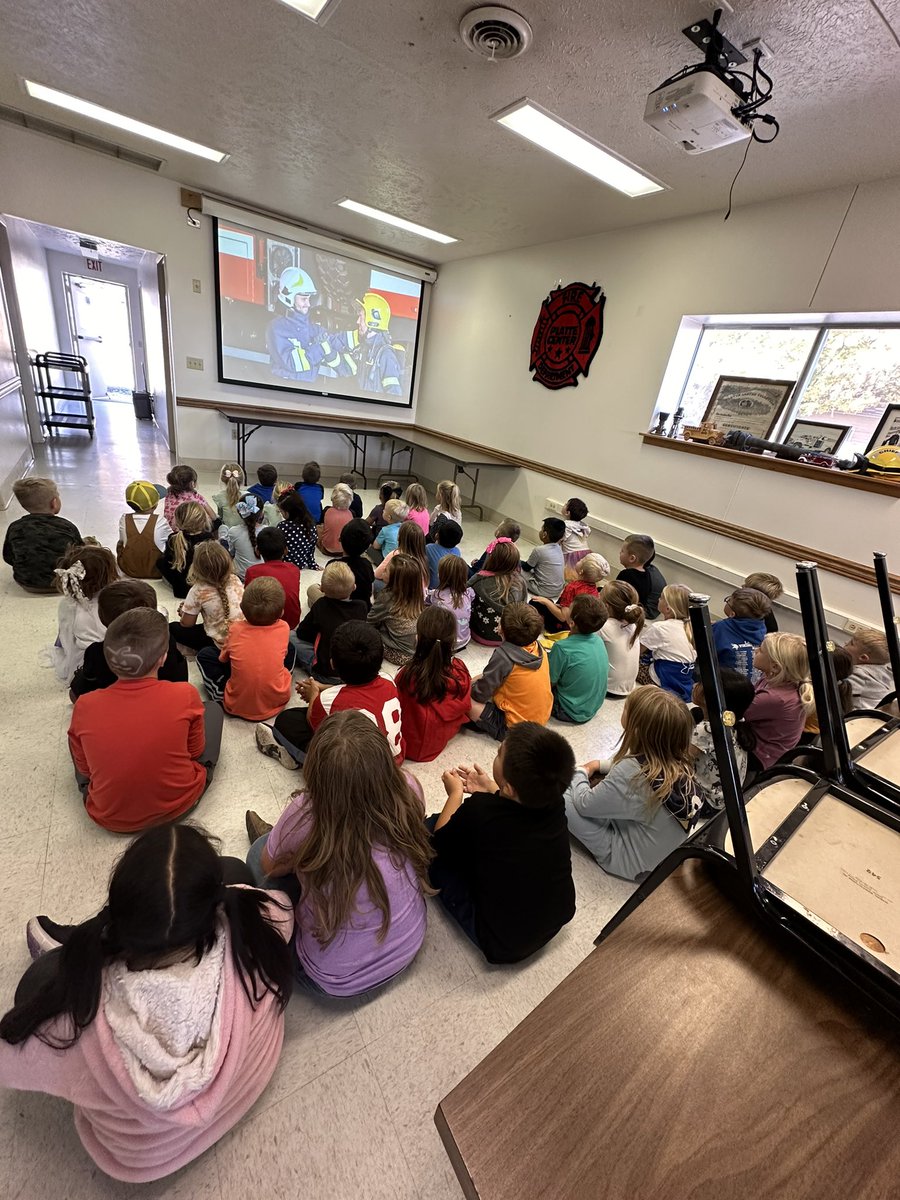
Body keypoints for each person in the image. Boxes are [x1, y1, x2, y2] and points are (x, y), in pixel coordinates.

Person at [0, 825, 293, 1183]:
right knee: (234, 867)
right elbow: (280, 908)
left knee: (37, 981)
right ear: (213, 911)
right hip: (244, 1087)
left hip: (146, 1159)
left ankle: (73, 942)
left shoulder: (82, 1020)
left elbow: (9, 1057)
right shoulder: (255, 924)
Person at [245, 711, 431, 994]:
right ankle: (287, 843)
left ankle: (278, 838)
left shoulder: (305, 813)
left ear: (316, 772)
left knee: (261, 854)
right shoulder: (409, 788)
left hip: (331, 980)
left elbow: (271, 867)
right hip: (408, 946)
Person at [428, 723, 576, 963]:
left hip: (502, 943)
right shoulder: (554, 802)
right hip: (558, 914)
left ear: (509, 787)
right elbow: (517, 815)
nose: (496, 755)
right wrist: (491, 788)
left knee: (431, 834)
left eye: (499, 754)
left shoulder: (481, 811)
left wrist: (455, 794)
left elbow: (438, 844)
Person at [68, 609, 224, 831]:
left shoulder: (85, 705)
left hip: (110, 816)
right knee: (213, 710)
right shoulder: (184, 694)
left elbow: (85, 768)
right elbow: (196, 750)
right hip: (180, 804)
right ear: (163, 658)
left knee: (78, 735)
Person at [565, 688, 712, 880]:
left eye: (626, 708)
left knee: (563, 795)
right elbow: (626, 764)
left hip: (626, 860)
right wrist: (599, 765)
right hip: (652, 861)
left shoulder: (632, 772)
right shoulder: (678, 764)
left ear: (636, 728)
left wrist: (583, 770)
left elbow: (584, 804)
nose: (623, 710)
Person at [257, 621, 403, 769]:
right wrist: (322, 688)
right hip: (394, 762)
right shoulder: (388, 679)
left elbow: (312, 721)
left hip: (357, 775)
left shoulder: (328, 700)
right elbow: (357, 692)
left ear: (332, 664)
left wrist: (314, 694)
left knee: (286, 721)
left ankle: (301, 759)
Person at [70, 579, 187, 700]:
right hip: (162, 699)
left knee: (75, 691)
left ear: (102, 617)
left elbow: (85, 687)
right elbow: (178, 675)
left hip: (115, 704)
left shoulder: (96, 651)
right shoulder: (166, 641)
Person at [198, 577, 294, 719]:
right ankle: (279, 681)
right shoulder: (284, 627)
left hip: (236, 705)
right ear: (281, 613)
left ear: (242, 608)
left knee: (204, 655)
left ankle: (220, 693)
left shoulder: (235, 628)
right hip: (278, 700)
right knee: (290, 647)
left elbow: (222, 659)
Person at [396, 608, 472, 761]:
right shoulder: (460, 672)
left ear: (418, 638)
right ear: (452, 641)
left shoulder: (406, 675)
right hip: (438, 740)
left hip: (408, 743)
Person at [470, 602, 551, 740]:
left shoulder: (503, 656)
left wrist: (470, 689)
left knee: (465, 701)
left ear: (500, 630)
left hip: (514, 731)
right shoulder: (538, 647)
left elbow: (479, 695)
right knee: (482, 677)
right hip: (541, 719)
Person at [48, 543, 119, 683]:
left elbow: (65, 633)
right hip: (107, 660)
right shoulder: (111, 602)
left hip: (82, 656)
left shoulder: (67, 603)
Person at [745, 633, 814, 772]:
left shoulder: (776, 698)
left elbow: (736, 713)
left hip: (762, 757)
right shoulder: (778, 680)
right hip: (774, 748)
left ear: (775, 667)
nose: (756, 650)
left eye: (761, 650)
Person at [266, 268, 346, 384]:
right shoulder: (276, 329)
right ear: (289, 297)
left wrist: (353, 340)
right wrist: (321, 347)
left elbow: (334, 340)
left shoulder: (311, 328)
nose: (308, 304)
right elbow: (293, 364)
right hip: (285, 388)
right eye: (304, 299)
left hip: (308, 388)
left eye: (309, 299)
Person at [2, 476, 82, 592]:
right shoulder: (66, 526)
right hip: (63, 582)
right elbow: (80, 555)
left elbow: (8, 557)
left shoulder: (15, 527)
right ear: (54, 503)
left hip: (26, 583)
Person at [690, 669, 756, 807]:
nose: (694, 685)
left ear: (712, 697)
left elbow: (676, 758)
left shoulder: (707, 730)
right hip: (726, 800)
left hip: (707, 802)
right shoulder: (734, 721)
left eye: (701, 683)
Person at [292, 560, 367, 681]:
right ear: (354, 587)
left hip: (325, 672)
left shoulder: (321, 605)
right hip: (353, 671)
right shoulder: (362, 606)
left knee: (290, 635)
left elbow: (302, 633)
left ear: (321, 589)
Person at [169, 540, 244, 655]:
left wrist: (184, 612)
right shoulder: (235, 579)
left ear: (196, 567)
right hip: (242, 639)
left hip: (219, 645)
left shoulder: (198, 590)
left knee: (172, 628)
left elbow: (187, 624)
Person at [549, 593, 609, 723]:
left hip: (568, 710)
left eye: (568, 609)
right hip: (592, 707)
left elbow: (549, 682)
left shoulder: (562, 648)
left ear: (571, 623)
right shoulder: (598, 641)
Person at [367, 554, 426, 666]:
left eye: (387, 570)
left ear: (395, 580)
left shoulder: (387, 598)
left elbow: (370, 622)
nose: (384, 569)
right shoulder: (416, 595)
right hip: (416, 650)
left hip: (399, 654)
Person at [639, 583, 695, 700]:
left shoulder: (659, 628)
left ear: (668, 609)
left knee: (634, 661)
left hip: (660, 681)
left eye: (661, 598)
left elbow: (637, 651)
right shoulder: (692, 627)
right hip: (683, 682)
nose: (658, 599)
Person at [530, 552, 609, 634]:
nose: (580, 559)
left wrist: (546, 602)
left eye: (582, 560)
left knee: (535, 602)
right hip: (581, 627)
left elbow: (563, 617)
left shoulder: (573, 587)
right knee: (549, 602)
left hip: (563, 627)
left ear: (581, 571)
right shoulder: (594, 589)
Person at [344, 292, 404, 396]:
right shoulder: (366, 349)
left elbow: (394, 395)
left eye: (360, 317)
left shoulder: (386, 355)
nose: (358, 321)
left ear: (372, 321)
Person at [470, 540, 528, 645]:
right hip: (509, 636)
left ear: (489, 559)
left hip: (480, 635)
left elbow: (463, 591)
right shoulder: (521, 582)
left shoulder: (479, 580)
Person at [245, 526, 301, 630]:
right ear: (286, 550)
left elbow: (249, 601)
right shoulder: (294, 569)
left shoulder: (252, 572)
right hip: (292, 622)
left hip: (262, 623)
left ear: (257, 551)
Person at [156, 502, 215, 598]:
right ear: (203, 520)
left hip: (180, 589)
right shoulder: (208, 538)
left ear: (179, 521)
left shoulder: (173, 538)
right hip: (201, 588)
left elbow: (167, 563)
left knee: (160, 561)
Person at [116, 480, 172, 580]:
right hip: (157, 571)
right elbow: (172, 539)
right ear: (155, 505)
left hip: (129, 570)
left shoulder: (124, 519)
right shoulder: (160, 521)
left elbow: (122, 542)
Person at [711, 587, 771, 678]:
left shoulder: (720, 628)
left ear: (732, 614)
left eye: (728, 601)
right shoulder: (762, 627)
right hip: (754, 686)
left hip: (725, 683)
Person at [599, 579, 644, 697]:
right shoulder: (633, 625)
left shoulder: (604, 626)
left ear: (606, 606)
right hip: (629, 686)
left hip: (608, 687)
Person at [427, 553, 475, 652]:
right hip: (465, 640)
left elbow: (424, 599)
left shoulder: (437, 596)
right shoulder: (469, 593)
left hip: (446, 645)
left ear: (441, 576)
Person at [844, 628, 894, 709]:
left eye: (851, 643)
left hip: (853, 718)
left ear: (863, 657)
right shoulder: (881, 672)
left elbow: (834, 690)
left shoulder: (859, 675)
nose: (846, 643)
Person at [374, 519, 429, 594]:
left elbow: (377, 574)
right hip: (417, 598)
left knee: (374, 581)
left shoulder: (396, 554)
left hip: (400, 595)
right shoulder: (423, 559)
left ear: (399, 537)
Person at [220, 493, 265, 581]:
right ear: (262, 513)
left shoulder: (233, 531)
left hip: (240, 576)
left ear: (240, 513)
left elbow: (231, 553)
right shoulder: (267, 531)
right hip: (262, 576)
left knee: (223, 530)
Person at [521, 517, 565, 600]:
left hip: (543, 590)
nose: (540, 531)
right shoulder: (559, 548)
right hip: (558, 590)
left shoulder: (539, 550)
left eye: (541, 529)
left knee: (516, 567)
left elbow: (526, 568)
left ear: (544, 534)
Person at [274, 489, 318, 570]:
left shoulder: (283, 526)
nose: (281, 513)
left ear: (288, 512)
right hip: (301, 563)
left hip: (284, 565)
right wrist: (312, 563)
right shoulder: (310, 524)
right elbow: (311, 547)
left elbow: (277, 547)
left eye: (281, 511)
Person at [626, 534, 667, 619]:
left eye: (622, 551)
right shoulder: (650, 569)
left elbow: (623, 600)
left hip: (647, 611)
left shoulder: (635, 576)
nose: (619, 553)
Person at [163, 465, 216, 529]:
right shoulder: (197, 498)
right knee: (216, 522)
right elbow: (213, 517)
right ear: (192, 483)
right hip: (192, 533)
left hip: (172, 531)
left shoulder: (169, 495)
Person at [616, 534, 653, 613]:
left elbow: (615, 596)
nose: (620, 552)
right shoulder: (647, 574)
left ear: (632, 558)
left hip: (622, 612)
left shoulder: (625, 574)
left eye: (622, 551)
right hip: (637, 613)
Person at [317, 483, 354, 557]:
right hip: (345, 551)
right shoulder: (350, 514)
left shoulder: (328, 511)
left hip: (327, 550)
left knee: (318, 528)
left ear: (333, 499)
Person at [425, 519, 463, 589]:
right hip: (449, 589)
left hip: (432, 588)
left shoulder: (428, 548)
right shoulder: (457, 552)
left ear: (437, 535)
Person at [371, 497, 409, 564]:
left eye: (384, 510)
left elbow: (376, 546)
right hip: (400, 559)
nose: (383, 511)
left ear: (389, 517)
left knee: (370, 549)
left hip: (387, 561)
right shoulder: (404, 528)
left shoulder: (385, 530)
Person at [560, 498, 592, 572]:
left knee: (570, 576)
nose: (564, 504)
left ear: (568, 512)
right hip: (585, 553)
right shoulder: (582, 525)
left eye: (566, 504)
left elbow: (558, 540)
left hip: (572, 556)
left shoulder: (566, 526)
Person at [212, 462, 245, 528]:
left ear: (222, 479)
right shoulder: (247, 496)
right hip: (245, 531)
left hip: (227, 532)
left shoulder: (219, 497)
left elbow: (221, 517)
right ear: (241, 479)